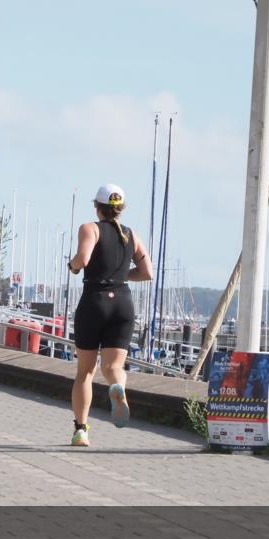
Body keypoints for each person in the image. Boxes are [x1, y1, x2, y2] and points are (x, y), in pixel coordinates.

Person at [67, 184, 153, 447]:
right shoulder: (132, 235)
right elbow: (147, 272)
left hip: (95, 301)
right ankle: (119, 388)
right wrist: (120, 275)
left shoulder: (89, 228)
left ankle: (81, 430)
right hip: (123, 304)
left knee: (85, 372)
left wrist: (72, 266)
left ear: (97, 207)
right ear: (120, 209)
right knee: (113, 367)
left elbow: (83, 259)